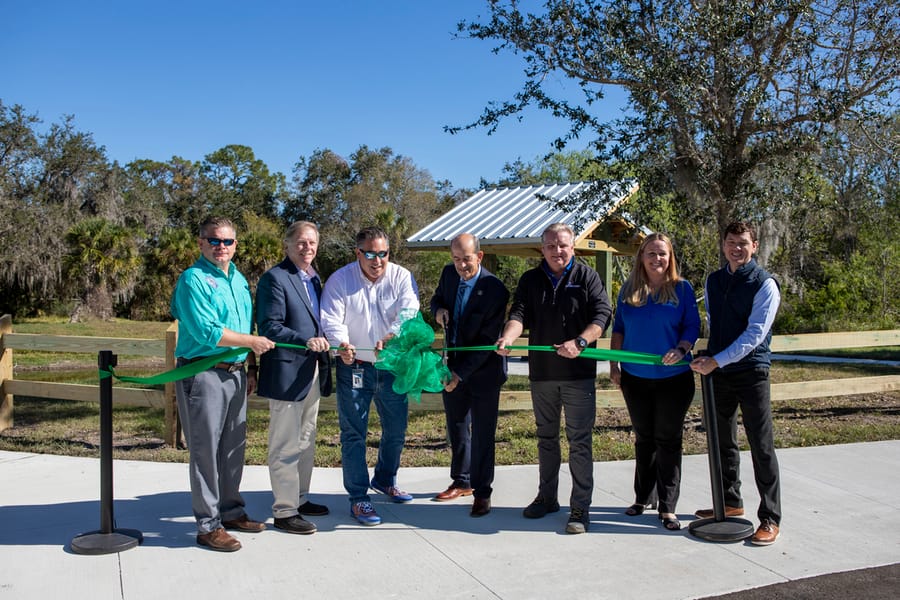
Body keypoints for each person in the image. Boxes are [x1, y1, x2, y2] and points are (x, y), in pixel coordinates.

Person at [496, 223, 612, 534]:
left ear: (572, 246)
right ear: (542, 249)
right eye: (550, 246)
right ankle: (547, 497)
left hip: (578, 376)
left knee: (579, 443)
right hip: (542, 375)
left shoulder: (587, 277)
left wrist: (581, 342)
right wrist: (508, 338)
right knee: (546, 440)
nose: (556, 251)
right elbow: (518, 315)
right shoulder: (531, 280)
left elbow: (602, 315)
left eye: (562, 245)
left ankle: (580, 508)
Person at [170, 216, 276, 552]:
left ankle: (231, 512)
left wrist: (251, 363)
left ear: (236, 245)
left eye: (228, 241)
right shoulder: (193, 280)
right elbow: (208, 333)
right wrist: (252, 341)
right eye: (214, 240)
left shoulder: (240, 280)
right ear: (200, 242)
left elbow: (246, 324)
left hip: (236, 372)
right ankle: (207, 525)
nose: (221, 247)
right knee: (205, 451)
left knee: (233, 448)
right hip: (204, 372)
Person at [320, 226, 420, 526]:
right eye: (370, 254)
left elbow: (410, 311)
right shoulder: (340, 279)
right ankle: (358, 497)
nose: (377, 260)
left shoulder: (402, 276)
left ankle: (385, 479)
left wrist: (393, 334)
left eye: (383, 253)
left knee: (397, 430)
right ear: (357, 253)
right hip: (355, 367)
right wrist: (341, 345)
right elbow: (330, 318)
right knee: (353, 434)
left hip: (392, 366)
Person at [690, 221, 782, 546]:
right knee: (723, 441)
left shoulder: (765, 284)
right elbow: (714, 323)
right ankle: (731, 502)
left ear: (754, 245)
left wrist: (717, 359)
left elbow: (755, 335)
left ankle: (770, 517)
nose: (736, 248)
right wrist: (709, 359)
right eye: (731, 242)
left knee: (761, 444)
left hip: (752, 372)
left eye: (743, 242)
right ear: (724, 245)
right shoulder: (713, 281)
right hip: (719, 373)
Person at [609, 233, 700, 531]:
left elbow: (692, 325)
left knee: (668, 440)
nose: (657, 259)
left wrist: (681, 348)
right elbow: (619, 330)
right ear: (642, 257)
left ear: (670, 256)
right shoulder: (629, 290)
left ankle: (667, 506)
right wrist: (614, 365)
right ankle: (642, 498)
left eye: (662, 253)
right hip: (635, 378)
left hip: (673, 379)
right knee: (644, 438)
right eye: (651, 253)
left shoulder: (682, 289)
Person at [256, 221, 333, 535]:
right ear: (287, 245)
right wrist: (305, 341)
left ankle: (300, 498)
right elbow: (270, 326)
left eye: (312, 243)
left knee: (306, 439)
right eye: (301, 242)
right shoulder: (275, 278)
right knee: (285, 444)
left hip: (312, 372)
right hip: (287, 373)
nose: (308, 248)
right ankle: (284, 511)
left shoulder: (314, 280)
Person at [430, 233, 510, 517]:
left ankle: (482, 492)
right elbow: (437, 298)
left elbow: (488, 342)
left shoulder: (495, 289)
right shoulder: (449, 275)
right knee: (457, 428)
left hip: (483, 371)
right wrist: (438, 310)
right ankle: (461, 481)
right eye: (456, 259)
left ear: (480, 256)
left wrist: (458, 374)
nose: (461, 266)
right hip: (452, 366)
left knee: (483, 434)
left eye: (466, 259)